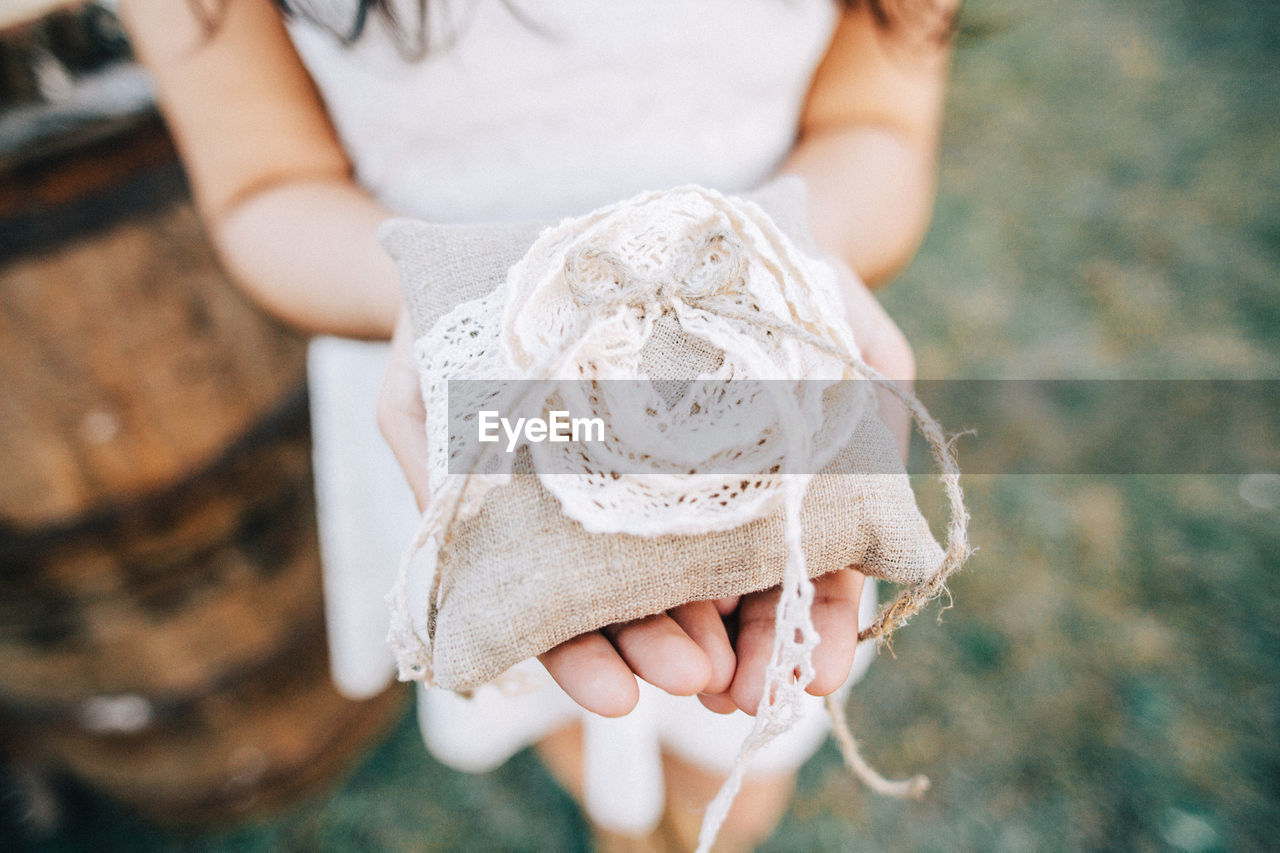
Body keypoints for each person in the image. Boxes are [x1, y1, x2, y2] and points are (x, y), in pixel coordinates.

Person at [120, 0, 955, 848]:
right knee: (560, 711)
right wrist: (432, 301)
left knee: (736, 775)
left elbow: (874, 119)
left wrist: (810, 246)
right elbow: (265, 185)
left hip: (763, 396)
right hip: (472, 407)